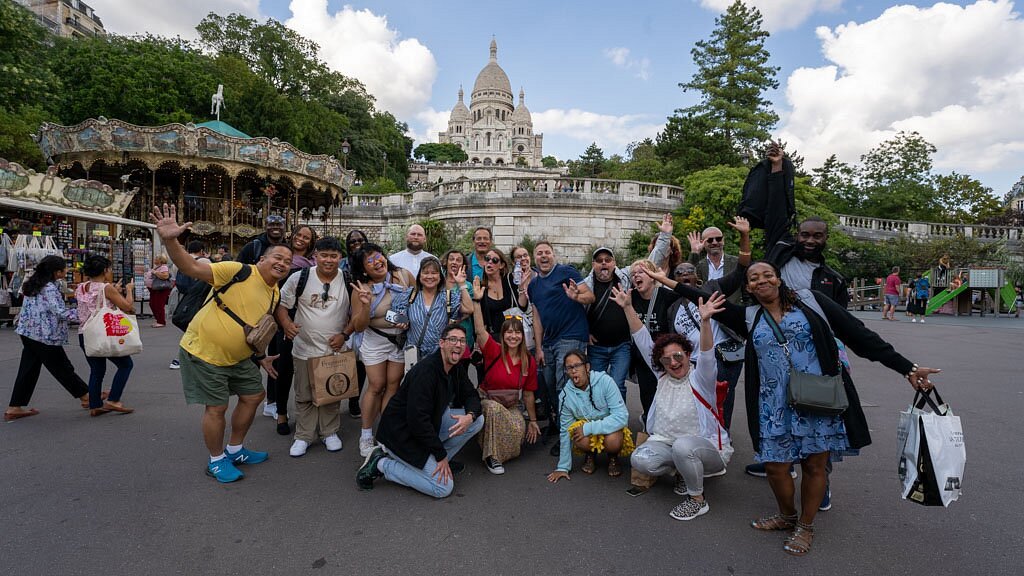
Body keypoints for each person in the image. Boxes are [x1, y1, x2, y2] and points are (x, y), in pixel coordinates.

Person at [692, 260, 940, 556]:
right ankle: (787, 516)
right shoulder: (748, 317)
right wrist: (659, 278)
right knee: (775, 467)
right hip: (773, 407)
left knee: (814, 465)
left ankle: (806, 526)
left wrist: (907, 368)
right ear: (747, 287)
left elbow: (859, 335)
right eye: (754, 278)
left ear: (779, 279)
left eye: (768, 275)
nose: (762, 281)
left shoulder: (810, 302)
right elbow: (690, 290)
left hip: (817, 401)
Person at [151, 203, 290, 484]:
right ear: (262, 258)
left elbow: (255, 327)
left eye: (288, 262)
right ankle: (216, 460)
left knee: (253, 396)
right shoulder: (237, 270)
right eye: (277, 257)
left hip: (239, 357)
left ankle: (235, 449)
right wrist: (170, 240)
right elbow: (189, 266)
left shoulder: (274, 292)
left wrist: (259, 356)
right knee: (216, 408)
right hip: (204, 352)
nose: (283, 263)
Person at [614, 287, 733, 521]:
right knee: (640, 459)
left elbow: (708, 354)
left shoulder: (701, 378)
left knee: (683, 447)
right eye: (666, 359)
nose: (673, 362)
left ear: (688, 354)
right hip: (668, 443)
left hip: (705, 449)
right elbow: (642, 338)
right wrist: (628, 307)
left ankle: (697, 499)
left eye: (678, 356)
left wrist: (706, 322)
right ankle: (682, 471)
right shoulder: (662, 378)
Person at [356, 325, 484, 498]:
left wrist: (470, 416)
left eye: (462, 341)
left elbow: (472, 396)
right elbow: (417, 421)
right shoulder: (426, 372)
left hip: (426, 426)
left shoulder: (456, 368)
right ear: (442, 343)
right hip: (401, 435)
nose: (458, 344)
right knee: (443, 488)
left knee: (478, 420)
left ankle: (434, 462)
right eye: (453, 339)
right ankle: (381, 463)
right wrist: (440, 455)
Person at [275, 237, 371, 457]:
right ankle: (304, 435)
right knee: (303, 394)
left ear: (341, 258)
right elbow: (282, 305)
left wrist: (344, 334)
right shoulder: (299, 278)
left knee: (333, 392)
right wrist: (287, 323)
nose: (329, 260)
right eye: (324, 255)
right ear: (315, 256)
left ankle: (329, 432)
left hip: (335, 348)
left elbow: (357, 317)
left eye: (334, 256)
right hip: (304, 347)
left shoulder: (348, 280)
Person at [522, 241, 594, 455]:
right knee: (548, 383)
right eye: (539, 253)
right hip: (549, 342)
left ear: (554, 255)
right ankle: (558, 423)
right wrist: (539, 347)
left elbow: (590, 296)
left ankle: (568, 436)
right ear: (535, 258)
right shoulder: (534, 285)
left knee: (565, 385)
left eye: (547, 252)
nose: (543, 256)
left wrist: (576, 297)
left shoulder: (566, 272)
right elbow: (536, 317)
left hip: (571, 336)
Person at [5, 255, 90, 422]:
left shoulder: (33, 283)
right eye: (64, 268)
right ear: (55, 272)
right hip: (44, 335)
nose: (67, 270)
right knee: (62, 367)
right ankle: (86, 396)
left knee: (28, 369)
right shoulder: (49, 288)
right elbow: (60, 312)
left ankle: (15, 407)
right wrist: (85, 314)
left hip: (28, 331)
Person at [352, 242, 415, 457]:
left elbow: (417, 301)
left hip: (399, 340)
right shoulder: (362, 288)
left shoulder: (404, 276)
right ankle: (366, 434)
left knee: (392, 386)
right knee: (376, 386)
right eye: (369, 261)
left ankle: (387, 432)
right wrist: (366, 304)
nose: (376, 262)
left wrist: (407, 321)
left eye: (378, 256)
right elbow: (359, 326)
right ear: (363, 269)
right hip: (375, 340)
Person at [471, 294, 541, 474]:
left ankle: (499, 449)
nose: (513, 336)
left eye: (517, 332)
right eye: (509, 332)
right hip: (488, 402)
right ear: (503, 335)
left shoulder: (528, 361)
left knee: (519, 429)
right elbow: (479, 330)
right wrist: (477, 302)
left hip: (510, 406)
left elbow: (528, 394)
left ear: (522, 336)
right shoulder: (494, 350)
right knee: (493, 409)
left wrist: (533, 421)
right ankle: (492, 457)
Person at [262, 224, 317, 432]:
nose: (301, 240)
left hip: (305, 318)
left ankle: (309, 408)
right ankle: (280, 411)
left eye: (306, 237)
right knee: (283, 365)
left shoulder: (312, 262)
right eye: (299, 235)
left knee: (306, 365)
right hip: (282, 315)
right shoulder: (281, 258)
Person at [546, 350, 631, 481]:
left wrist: (588, 428)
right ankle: (590, 454)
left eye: (577, 366)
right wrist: (562, 467)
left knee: (613, 440)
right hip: (586, 432)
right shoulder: (565, 395)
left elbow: (621, 416)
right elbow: (564, 430)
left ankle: (613, 456)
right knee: (576, 434)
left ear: (587, 367)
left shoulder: (605, 381)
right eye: (569, 368)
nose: (573, 370)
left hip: (606, 429)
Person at [75, 255, 136, 417]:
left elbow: (93, 301)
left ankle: (95, 405)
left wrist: (113, 290)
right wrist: (129, 290)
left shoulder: (81, 287)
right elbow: (128, 308)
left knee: (96, 370)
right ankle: (114, 399)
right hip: (104, 334)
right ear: (104, 270)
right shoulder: (107, 288)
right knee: (125, 365)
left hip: (85, 333)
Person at [627, 259, 682, 421]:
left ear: (652, 276)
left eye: (641, 272)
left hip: (664, 357)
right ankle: (650, 425)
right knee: (647, 395)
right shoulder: (631, 297)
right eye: (633, 274)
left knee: (668, 392)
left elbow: (686, 294)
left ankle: (669, 424)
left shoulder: (666, 296)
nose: (636, 275)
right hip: (642, 359)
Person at [406, 257, 471, 359]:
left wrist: (462, 284)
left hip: (440, 354)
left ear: (440, 276)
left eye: (434, 273)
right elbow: (398, 316)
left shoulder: (448, 297)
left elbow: (469, 309)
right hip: (414, 354)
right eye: (426, 273)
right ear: (419, 276)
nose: (430, 276)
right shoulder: (410, 295)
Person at [341, 229, 369, 418]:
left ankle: (354, 400)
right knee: (343, 362)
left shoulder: (371, 261)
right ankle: (334, 396)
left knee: (361, 364)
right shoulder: (342, 264)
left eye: (360, 240)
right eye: (352, 241)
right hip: (343, 316)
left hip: (365, 317)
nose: (356, 243)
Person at [169, 241, 210, 370]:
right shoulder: (204, 262)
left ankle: (189, 355)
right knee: (194, 329)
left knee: (190, 328)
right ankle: (182, 357)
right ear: (201, 250)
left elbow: (172, 276)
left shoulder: (181, 260)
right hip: (196, 299)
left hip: (180, 297)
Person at [146, 254, 172, 327]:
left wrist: (155, 272)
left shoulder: (163, 267)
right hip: (154, 289)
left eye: (156, 258)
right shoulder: (157, 267)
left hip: (160, 289)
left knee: (158, 305)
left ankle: (161, 321)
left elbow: (165, 276)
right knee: (153, 304)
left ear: (160, 260)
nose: (154, 259)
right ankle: (159, 320)